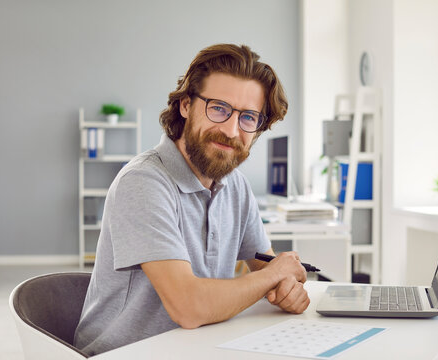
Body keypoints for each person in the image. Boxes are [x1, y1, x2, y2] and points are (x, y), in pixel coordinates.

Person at [73, 44, 310, 355]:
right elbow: (189, 307)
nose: (230, 130)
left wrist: (286, 287)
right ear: (185, 105)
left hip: (199, 347)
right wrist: (277, 273)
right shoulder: (143, 182)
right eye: (219, 108)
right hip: (124, 352)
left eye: (248, 117)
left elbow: (265, 268)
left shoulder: (235, 186)